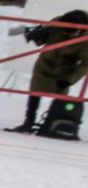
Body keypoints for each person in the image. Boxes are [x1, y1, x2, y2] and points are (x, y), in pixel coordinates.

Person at [6, 11, 88, 139]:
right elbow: (43, 37)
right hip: (45, 64)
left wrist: (70, 80)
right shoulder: (57, 23)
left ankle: (51, 123)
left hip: (65, 70)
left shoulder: (86, 38)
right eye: (65, 31)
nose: (67, 35)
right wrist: (33, 34)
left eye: (71, 33)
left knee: (60, 98)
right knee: (35, 93)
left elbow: (86, 64)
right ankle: (29, 122)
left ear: (80, 29)